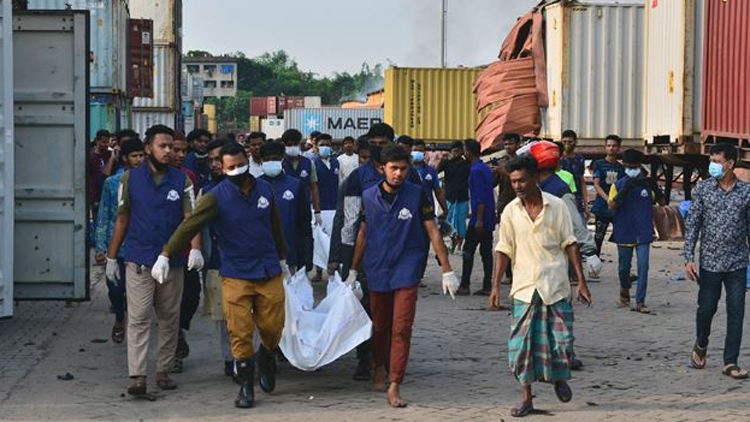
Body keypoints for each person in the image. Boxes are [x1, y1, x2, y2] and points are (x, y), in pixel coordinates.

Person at [157, 142, 288, 408]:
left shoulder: (265, 190)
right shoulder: (215, 196)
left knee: (273, 327)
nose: (237, 170)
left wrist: (283, 258)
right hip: (236, 272)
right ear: (222, 168)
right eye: (231, 167)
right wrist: (166, 254)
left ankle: (266, 355)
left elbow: (274, 225)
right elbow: (189, 225)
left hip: (268, 269)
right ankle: (246, 386)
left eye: (241, 164)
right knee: (239, 332)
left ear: (248, 161)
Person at [349, 143, 459, 407]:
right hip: (377, 268)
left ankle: (395, 382)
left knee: (402, 328)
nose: (398, 173)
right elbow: (362, 233)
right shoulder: (368, 196)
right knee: (380, 325)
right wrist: (353, 269)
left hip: (408, 268)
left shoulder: (418, 195)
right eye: (393, 168)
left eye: (402, 168)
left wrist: (447, 270)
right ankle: (379, 367)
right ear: (382, 169)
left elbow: (433, 231)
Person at [488, 154, 592, 418]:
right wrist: (494, 286)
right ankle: (527, 399)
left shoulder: (557, 207)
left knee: (562, 343)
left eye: (522, 180)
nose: (518, 186)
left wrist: (581, 281)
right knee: (521, 348)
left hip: (555, 285)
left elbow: (570, 244)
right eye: (513, 182)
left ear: (535, 178)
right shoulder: (510, 211)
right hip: (524, 288)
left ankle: (558, 377)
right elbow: (503, 248)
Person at [105, 124, 203, 396]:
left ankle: (163, 370)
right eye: (163, 146)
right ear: (148, 148)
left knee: (170, 318)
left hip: (172, 261)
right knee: (138, 318)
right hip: (139, 260)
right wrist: (112, 258)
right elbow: (122, 218)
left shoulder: (182, 180)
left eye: (172, 147)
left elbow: (190, 219)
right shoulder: (130, 179)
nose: (169, 151)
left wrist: (195, 248)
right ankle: (137, 375)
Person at [328, 123, 422, 381]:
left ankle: (393, 361)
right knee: (365, 309)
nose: (378, 147)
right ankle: (365, 358)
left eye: (384, 143)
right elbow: (347, 220)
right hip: (366, 255)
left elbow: (422, 221)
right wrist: (343, 260)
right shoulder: (358, 177)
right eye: (374, 143)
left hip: (402, 255)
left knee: (397, 314)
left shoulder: (409, 175)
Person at [685, 143, 750, 380]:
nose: (712, 165)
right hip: (710, 263)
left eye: (717, 161)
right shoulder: (703, 190)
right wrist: (689, 258)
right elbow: (693, 224)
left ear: (730, 164)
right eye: (711, 160)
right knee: (707, 309)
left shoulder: (746, 192)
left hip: (737, 263)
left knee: (736, 312)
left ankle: (730, 361)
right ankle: (701, 344)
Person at [94, 138, 145, 344]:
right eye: (135, 156)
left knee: (137, 292)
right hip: (117, 247)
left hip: (140, 246)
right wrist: (100, 246)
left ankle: (133, 327)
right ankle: (119, 318)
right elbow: (104, 215)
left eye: (142, 155)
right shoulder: (112, 183)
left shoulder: (149, 182)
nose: (139, 160)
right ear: (125, 158)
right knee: (115, 287)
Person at [607, 149, 663, 314]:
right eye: (630, 166)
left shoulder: (647, 185)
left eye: (636, 166)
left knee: (643, 267)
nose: (633, 169)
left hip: (644, 231)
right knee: (624, 268)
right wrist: (624, 190)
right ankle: (625, 288)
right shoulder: (617, 185)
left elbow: (662, 203)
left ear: (640, 166)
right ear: (624, 166)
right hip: (624, 231)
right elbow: (611, 207)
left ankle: (640, 302)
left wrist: (656, 188)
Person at [201, 138, 237, 379]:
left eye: (219, 159)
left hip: (245, 262)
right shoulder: (206, 191)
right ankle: (230, 358)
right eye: (211, 160)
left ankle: (246, 356)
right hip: (216, 261)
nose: (215, 164)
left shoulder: (250, 186)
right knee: (222, 316)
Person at [170, 132, 203, 372]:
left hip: (184, 249)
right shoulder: (143, 178)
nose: (180, 155)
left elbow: (194, 214)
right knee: (165, 304)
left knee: (191, 295)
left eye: (183, 151)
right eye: (175, 150)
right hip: (157, 251)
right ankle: (171, 352)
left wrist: (196, 248)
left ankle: (180, 328)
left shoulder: (189, 177)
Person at [260, 141, 311, 272]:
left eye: (275, 158)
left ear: (282, 158)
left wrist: (306, 256)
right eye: (267, 159)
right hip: (261, 256)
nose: (271, 161)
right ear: (261, 161)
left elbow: (304, 223)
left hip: (290, 254)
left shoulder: (295, 185)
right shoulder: (254, 186)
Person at [458, 139, 496, 296]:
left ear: (468, 151)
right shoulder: (484, 168)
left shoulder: (476, 171)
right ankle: (487, 285)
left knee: (468, 251)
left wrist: (478, 219)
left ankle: (465, 285)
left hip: (480, 218)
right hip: (487, 217)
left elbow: (480, 197)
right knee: (486, 252)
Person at [282, 129, 321, 272]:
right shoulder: (279, 164)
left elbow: (314, 188)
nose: (292, 146)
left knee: (304, 241)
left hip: (304, 210)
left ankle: (304, 270)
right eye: (289, 144)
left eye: (295, 143)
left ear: (300, 144)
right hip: (285, 210)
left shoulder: (308, 163)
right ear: (284, 145)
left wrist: (317, 211)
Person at [591, 135, 625, 257]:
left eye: (614, 146)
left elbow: (623, 188)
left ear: (619, 148)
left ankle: (624, 267)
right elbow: (596, 184)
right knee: (598, 237)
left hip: (617, 208)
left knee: (621, 238)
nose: (611, 148)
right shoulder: (598, 164)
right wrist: (608, 199)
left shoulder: (621, 168)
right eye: (609, 145)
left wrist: (615, 201)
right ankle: (594, 266)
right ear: (605, 147)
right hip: (602, 206)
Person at [438, 141, 471, 253]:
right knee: (449, 222)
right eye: (454, 151)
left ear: (462, 151)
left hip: (463, 198)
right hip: (450, 197)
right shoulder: (447, 163)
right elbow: (437, 171)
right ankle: (452, 243)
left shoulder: (467, 164)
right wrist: (443, 160)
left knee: (461, 222)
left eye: (458, 151)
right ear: (451, 152)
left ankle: (459, 246)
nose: (456, 153)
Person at [411, 139, 448, 220]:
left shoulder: (431, 171)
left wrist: (445, 209)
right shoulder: (404, 169)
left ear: (425, 152)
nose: (417, 152)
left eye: (420, 151)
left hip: (427, 211)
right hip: (409, 210)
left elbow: (438, 192)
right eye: (415, 150)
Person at [560, 130, 588, 219]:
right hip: (561, 198)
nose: (567, 144)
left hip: (577, 199)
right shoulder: (557, 158)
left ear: (575, 142)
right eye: (564, 142)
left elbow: (581, 181)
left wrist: (586, 206)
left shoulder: (580, 159)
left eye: (570, 142)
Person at [89, 129, 113, 219]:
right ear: (97, 141)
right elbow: (102, 178)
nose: (106, 145)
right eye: (103, 142)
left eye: (108, 142)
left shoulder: (109, 154)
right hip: (96, 196)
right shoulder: (91, 157)